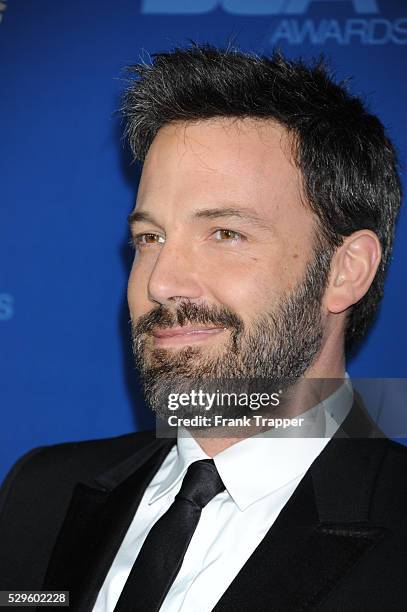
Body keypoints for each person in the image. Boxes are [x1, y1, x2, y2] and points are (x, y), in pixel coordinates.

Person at [0, 43, 406, 612]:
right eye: (150, 237)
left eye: (224, 234)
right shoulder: (40, 493)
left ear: (345, 270)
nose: (162, 282)